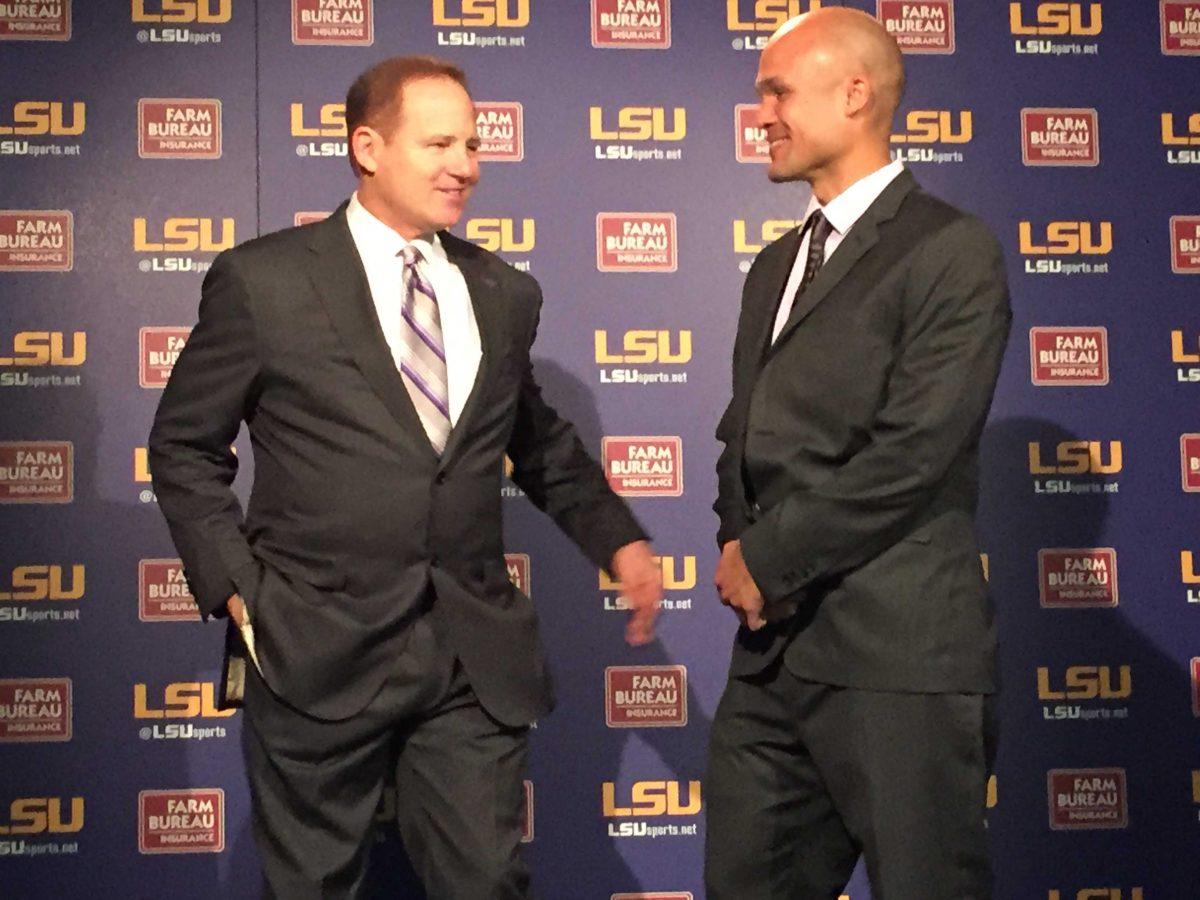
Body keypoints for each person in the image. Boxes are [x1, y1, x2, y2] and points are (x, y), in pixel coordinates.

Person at [149, 55, 662, 899]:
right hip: (310, 646)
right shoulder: (264, 281)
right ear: (367, 147)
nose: (464, 163)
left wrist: (619, 541)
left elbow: (536, 445)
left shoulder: (503, 292)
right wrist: (240, 593)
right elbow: (183, 447)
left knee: (487, 881)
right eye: (439, 142)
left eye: (473, 141)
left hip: (470, 658)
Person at [706, 9, 1010, 900]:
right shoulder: (774, 264)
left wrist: (765, 557)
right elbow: (743, 433)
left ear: (855, 93)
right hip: (771, 660)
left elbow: (913, 454)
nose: (759, 111)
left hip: (899, 660)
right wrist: (736, 538)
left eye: (777, 91)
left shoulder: (952, 249)